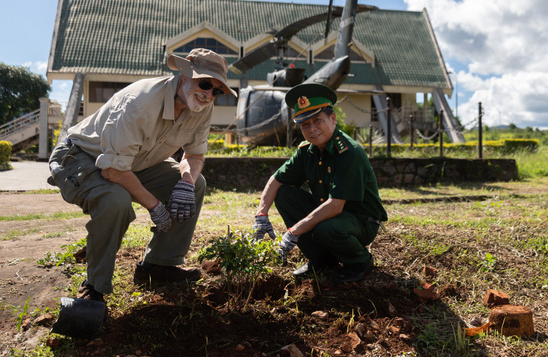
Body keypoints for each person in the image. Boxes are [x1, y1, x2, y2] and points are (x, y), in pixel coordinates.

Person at [48, 48, 236, 302]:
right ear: (184, 74)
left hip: (133, 164)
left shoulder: (202, 107)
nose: (208, 94)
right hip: (84, 157)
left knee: (196, 184)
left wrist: (186, 181)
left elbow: (194, 155)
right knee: (115, 200)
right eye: (204, 84)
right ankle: (94, 287)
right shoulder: (140, 103)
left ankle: (159, 266)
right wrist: (155, 206)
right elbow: (113, 169)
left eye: (217, 91)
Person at [253, 84, 387, 284]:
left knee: (327, 229)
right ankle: (322, 259)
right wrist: (261, 215)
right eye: (305, 124)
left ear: (332, 119)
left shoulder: (348, 152)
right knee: (283, 193)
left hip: (360, 221)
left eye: (318, 121)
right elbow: (276, 179)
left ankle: (360, 262)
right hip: (331, 216)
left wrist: (293, 231)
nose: (312, 129)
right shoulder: (307, 150)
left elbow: (335, 206)